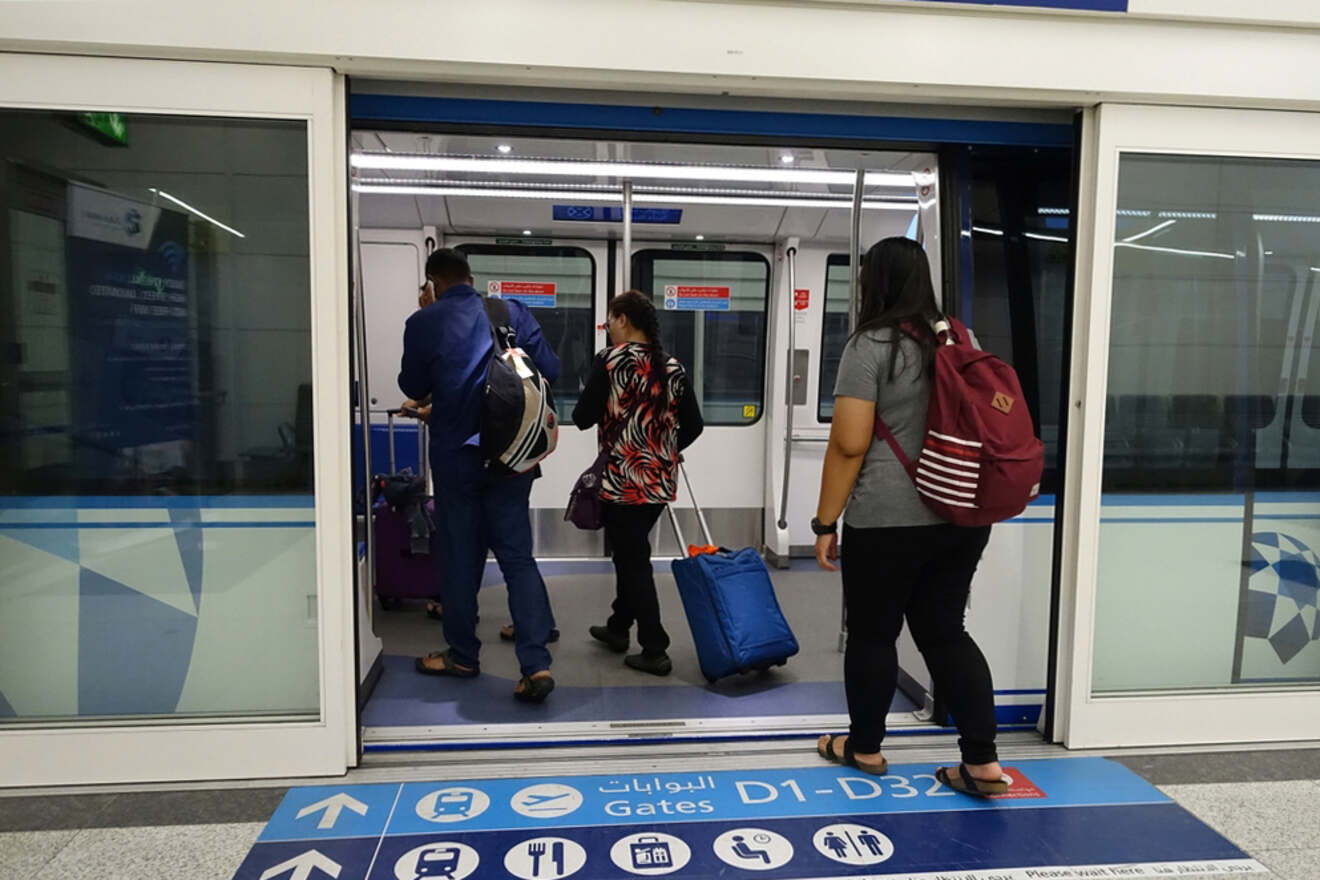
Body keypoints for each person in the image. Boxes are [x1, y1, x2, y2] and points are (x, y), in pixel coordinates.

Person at [811, 237, 1009, 796]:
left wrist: (825, 523)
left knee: (875, 634)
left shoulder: (870, 344)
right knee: (946, 633)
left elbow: (849, 445)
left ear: (873, 283)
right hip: (962, 513)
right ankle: (983, 764)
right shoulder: (961, 337)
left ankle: (865, 748)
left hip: (887, 520)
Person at [399, 248, 560, 703]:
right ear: (471, 278)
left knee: (459, 558)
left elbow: (412, 386)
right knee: (517, 558)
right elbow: (551, 370)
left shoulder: (425, 321)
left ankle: (463, 655)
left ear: (433, 283)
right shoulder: (510, 312)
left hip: (457, 461)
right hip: (513, 458)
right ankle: (536, 665)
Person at [572, 290, 703, 676]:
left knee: (633, 561)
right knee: (631, 554)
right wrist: (661, 447)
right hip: (659, 484)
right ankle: (617, 627)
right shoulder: (673, 367)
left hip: (621, 483)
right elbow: (694, 426)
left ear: (624, 320)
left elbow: (582, 417)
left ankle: (654, 647)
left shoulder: (609, 362)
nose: (608, 327)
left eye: (610, 320)